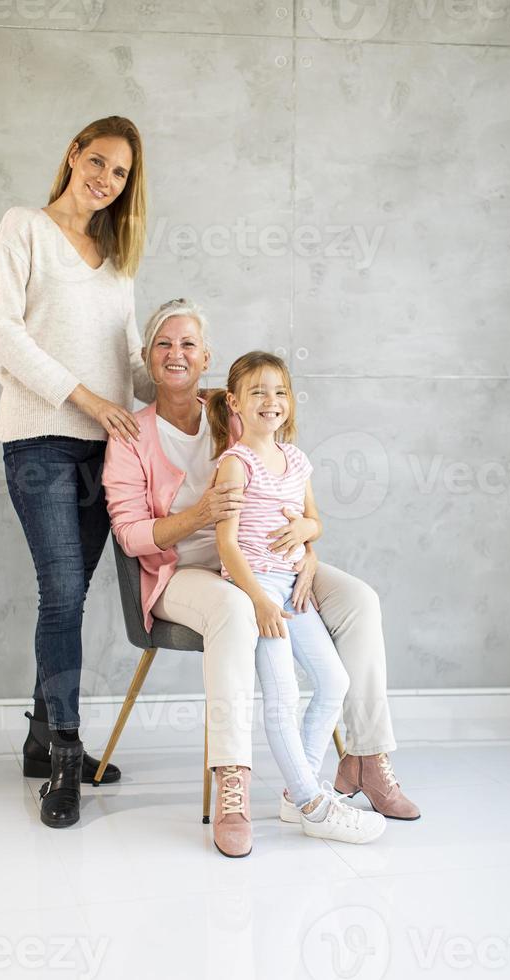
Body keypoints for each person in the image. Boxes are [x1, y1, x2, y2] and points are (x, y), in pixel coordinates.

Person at [103, 298, 420, 859]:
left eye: (188, 344)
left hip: (274, 564)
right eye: (163, 344)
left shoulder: (238, 409)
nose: (177, 354)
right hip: (186, 572)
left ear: (206, 358)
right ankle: (234, 779)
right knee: (234, 607)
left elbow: (289, 494)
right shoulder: (132, 434)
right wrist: (198, 516)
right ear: (147, 360)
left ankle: (366, 754)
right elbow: (130, 535)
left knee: (360, 600)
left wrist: (310, 547)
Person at [0, 116, 155, 830]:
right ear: (73, 156)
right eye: (98, 162)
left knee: (70, 598)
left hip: (102, 453)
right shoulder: (23, 227)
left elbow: (131, 365)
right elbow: (0, 331)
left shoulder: (117, 261)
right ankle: (65, 756)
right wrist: (84, 396)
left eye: (120, 173)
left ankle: (38, 738)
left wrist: (185, 386)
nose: (106, 179)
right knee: (60, 595)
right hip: (42, 440)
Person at [209, 352, 387, 849]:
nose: (271, 401)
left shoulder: (296, 459)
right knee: (283, 696)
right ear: (235, 402)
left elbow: (314, 520)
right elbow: (226, 543)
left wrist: (308, 536)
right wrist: (260, 603)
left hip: (293, 586)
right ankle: (313, 802)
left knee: (334, 680)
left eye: (280, 391)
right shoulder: (235, 464)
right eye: (259, 392)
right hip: (259, 588)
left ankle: (297, 790)